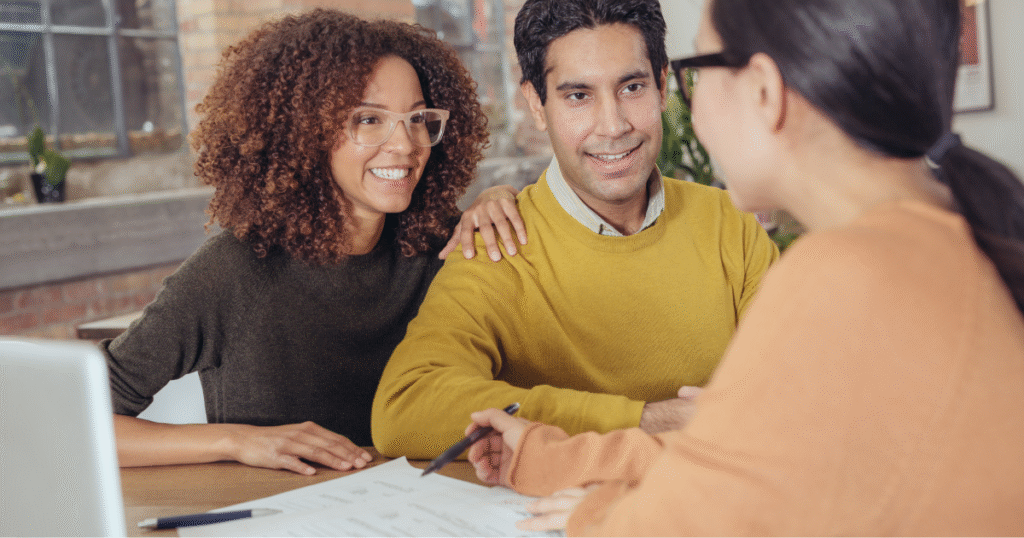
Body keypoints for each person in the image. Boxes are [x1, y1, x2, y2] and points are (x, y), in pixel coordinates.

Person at [464, 0, 1024, 534]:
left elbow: (678, 523)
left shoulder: (845, 274)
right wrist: (547, 458)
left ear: (763, 91)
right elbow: (752, 453)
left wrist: (596, 512)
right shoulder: (929, 236)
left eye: (697, 71)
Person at [103, 9, 527, 476]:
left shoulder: (444, 247)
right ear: (304, 131)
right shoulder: (232, 270)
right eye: (369, 119)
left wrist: (502, 199)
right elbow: (72, 422)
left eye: (417, 118)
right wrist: (233, 439)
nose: (406, 145)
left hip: (429, 503)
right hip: (281, 507)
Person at [371, 0, 779, 459]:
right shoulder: (496, 246)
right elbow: (406, 408)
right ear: (536, 105)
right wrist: (647, 420)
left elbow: (798, 388)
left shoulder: (732, 224)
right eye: (578, 96)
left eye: (632, 87)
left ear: (662, 86)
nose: (613, 126)